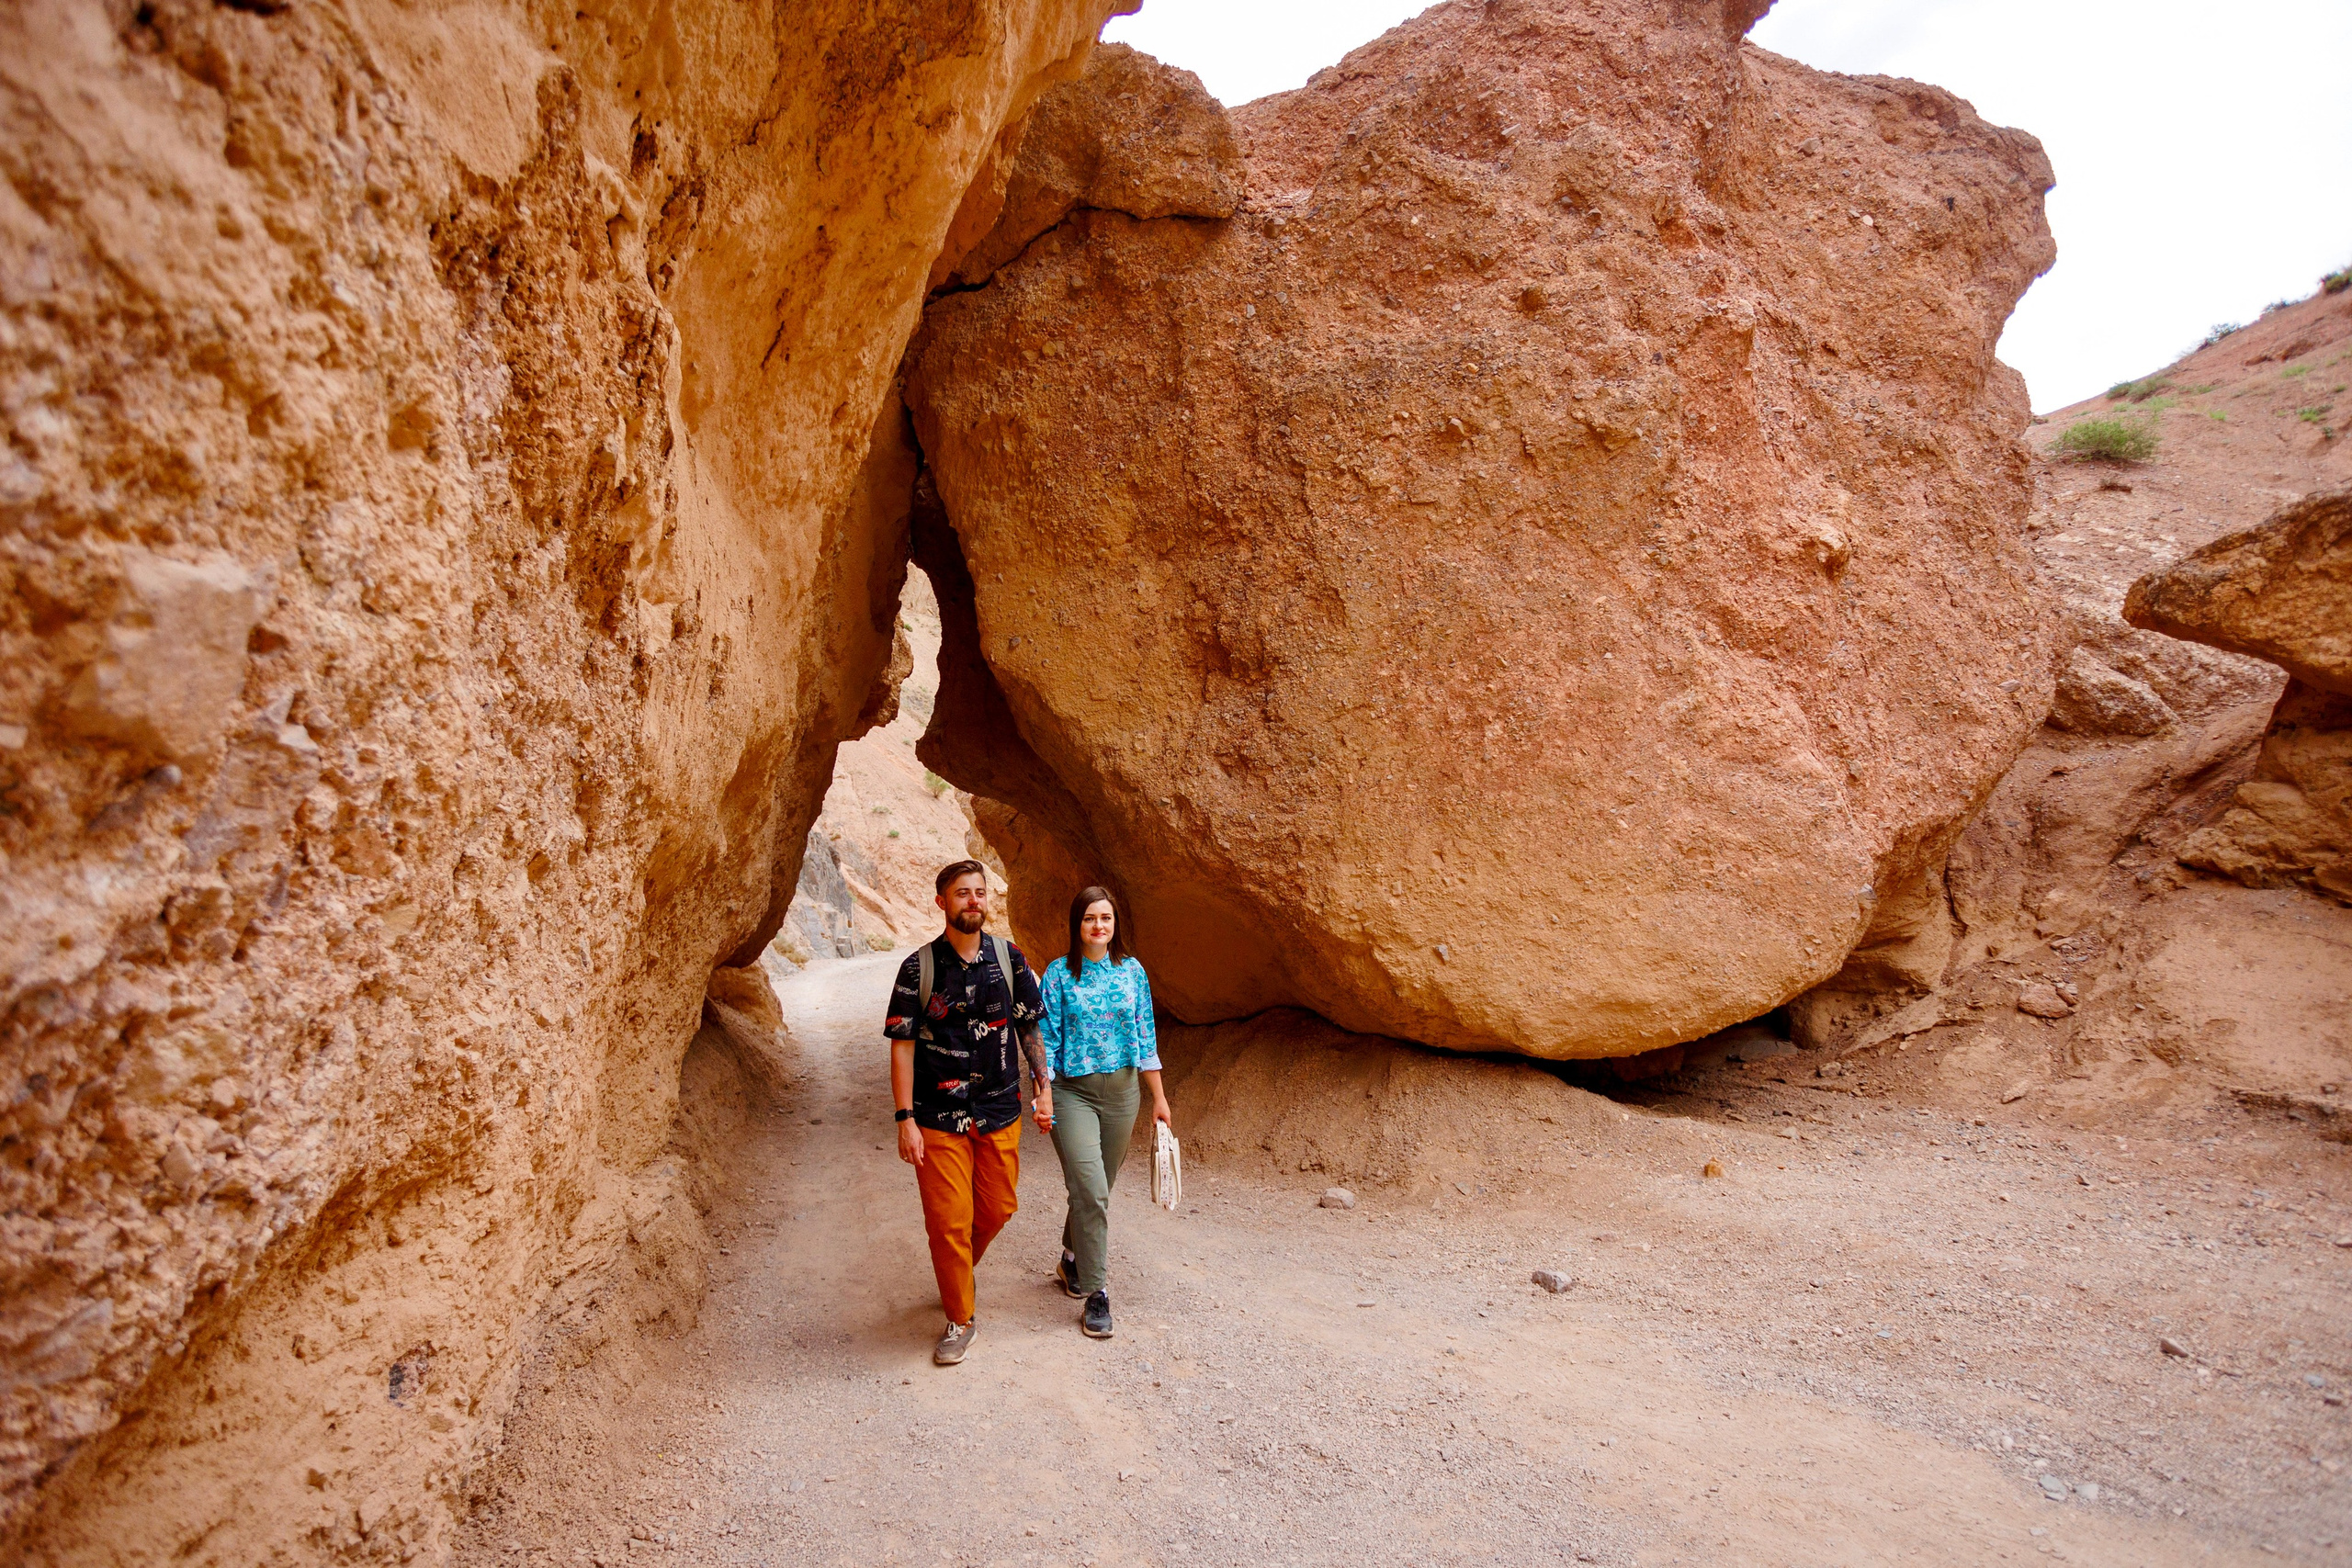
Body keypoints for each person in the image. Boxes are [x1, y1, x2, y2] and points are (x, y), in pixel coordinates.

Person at [883, 860, 1050, 1366]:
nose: (973, 900)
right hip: (938, 1116)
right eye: (962, 893)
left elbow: (1029, 1028)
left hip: (1001, 1106)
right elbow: (903, 1046)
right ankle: (960, 1318)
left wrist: (1044, 1088)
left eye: (979, 892)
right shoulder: (919, 968)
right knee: (948, 1222)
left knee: (998, 1208)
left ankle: (956, 1271)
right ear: (942, 903)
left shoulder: (1010, 959)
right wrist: (904, 1118)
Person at [1036, 884, 1170, 1339]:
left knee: (1098, 1188)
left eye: (1106, 919)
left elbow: (1145, 1035)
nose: (1099, 926)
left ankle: (1072, 1259)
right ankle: (1096, 1294)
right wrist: (1044, 1092)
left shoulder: (1132, 972)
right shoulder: (1057, 975)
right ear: (1077, 924)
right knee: (1091, 1187)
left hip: (1123, 1093)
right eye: (1091, 918)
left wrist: (1159, 1098)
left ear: (1115, 925)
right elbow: (1046, 1041)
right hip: (1071, 1093)